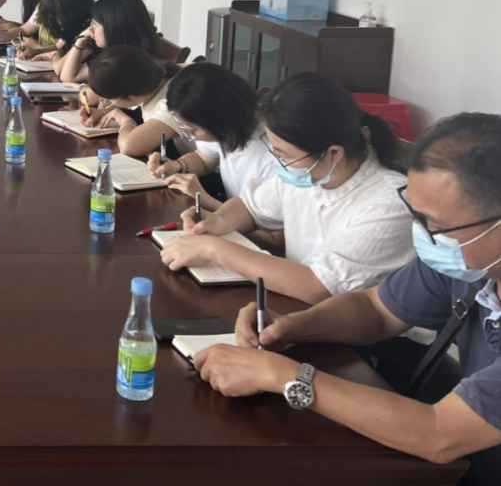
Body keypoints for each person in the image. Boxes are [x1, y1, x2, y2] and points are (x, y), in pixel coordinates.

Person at [193, 112, 501, 485]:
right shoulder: (465, 265)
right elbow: (376, 309)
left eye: (435, 224)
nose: (422, 233)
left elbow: (439, 434)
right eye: (415, 215)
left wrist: (284, 376)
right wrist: (294, 327)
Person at [159, 72, 412, 305]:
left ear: (333, 153)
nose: (278, 162)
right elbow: (250, 207)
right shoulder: (311, 173)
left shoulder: (391, 202)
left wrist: (214, 249)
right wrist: (217, 221)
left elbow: (318, 286)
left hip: (354, 331)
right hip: (295, 306)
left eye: (283, 155)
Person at [148, 63, 277, 211]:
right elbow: (203, 159)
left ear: (219, 121)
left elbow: (259, 225)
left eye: (192, 131)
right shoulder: (229, 130)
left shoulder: (273, 157)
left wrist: (204, 198)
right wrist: (176, 166)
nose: (191, 136)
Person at [80, 45, 194, 158]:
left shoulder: (171, 103)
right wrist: (104, 112)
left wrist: (126, 122)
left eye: (109, 99)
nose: (104, 102)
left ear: (135, 96)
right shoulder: (165, 76)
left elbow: (129, 146)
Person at [60, 0, 164, 83]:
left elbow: (70, 78)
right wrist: (81, 40)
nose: (90, 28)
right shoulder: (116, 54)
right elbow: (67, 77)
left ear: (114, 26)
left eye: (95, 23)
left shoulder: (124, 62)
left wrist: (82, 89)